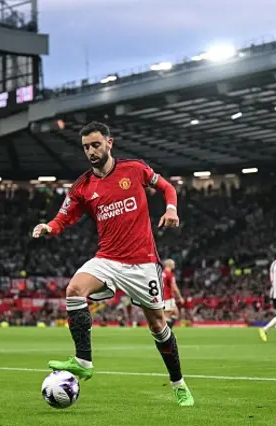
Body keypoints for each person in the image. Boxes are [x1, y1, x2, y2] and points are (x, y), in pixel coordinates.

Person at [32, 121, 194, 406]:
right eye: (86, 147)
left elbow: (167, 187)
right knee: (74, 290)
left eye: (96, 145)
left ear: (110, 143)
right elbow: (64, 216)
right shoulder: (83, 186)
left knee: (158, 324)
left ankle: (178, 383)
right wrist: (49, 227)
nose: (91, 151)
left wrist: (171, 209)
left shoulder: (134, 169)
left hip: (143, 262)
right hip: (107, 258)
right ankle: (83, 360)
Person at [162, 259, 184, 328]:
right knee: (167, 314)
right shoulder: (170, 274)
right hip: (168, 297)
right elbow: (174, 286)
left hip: (164, 296)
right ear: (169, 265)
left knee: (175, 312)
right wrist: (180, 297)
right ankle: (164, 331)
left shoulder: (162, 273)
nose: (174, 265)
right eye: (173, 264)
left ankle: (168, 329)